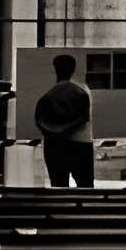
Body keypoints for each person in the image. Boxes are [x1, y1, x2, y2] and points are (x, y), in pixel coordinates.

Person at [34, 54, 95, 188]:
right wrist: (67, 129)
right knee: (86, 187)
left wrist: (56, 132)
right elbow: (84, 118)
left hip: (54, 145)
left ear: (55, 69)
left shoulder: (47, 95)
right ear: (73, 70)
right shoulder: (83, 92)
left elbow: (39, 119)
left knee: (58, 186)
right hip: (81, 144)